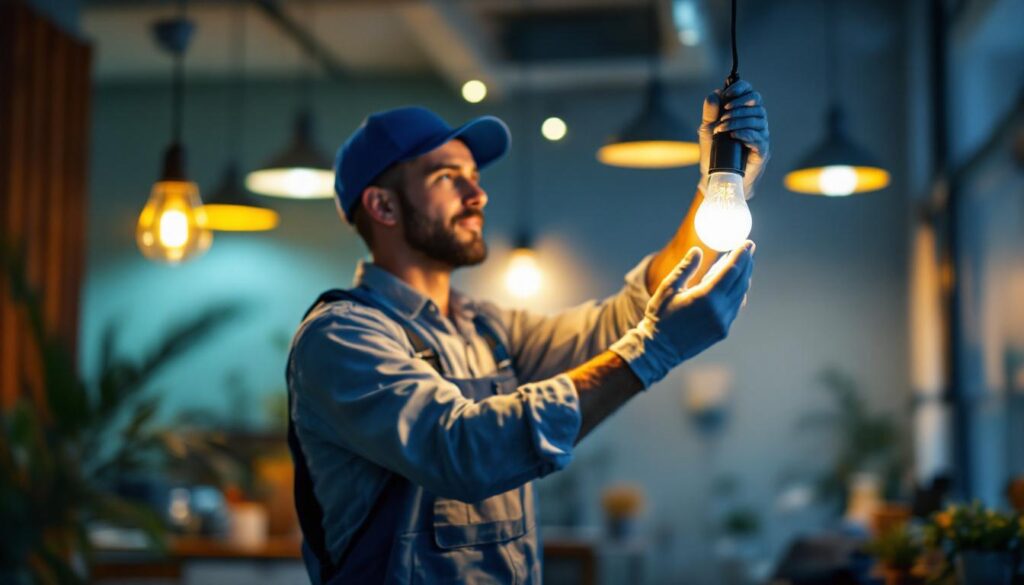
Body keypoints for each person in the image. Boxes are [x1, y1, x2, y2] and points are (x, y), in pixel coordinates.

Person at [286, 80, 769, 584]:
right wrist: (652, 351)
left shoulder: (488, 330)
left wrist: (720, 184)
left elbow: (631, 315)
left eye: (474, 176)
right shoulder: (341, 337)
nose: (478, 193)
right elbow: (459, 450)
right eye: (449, 177)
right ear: (383, 207)